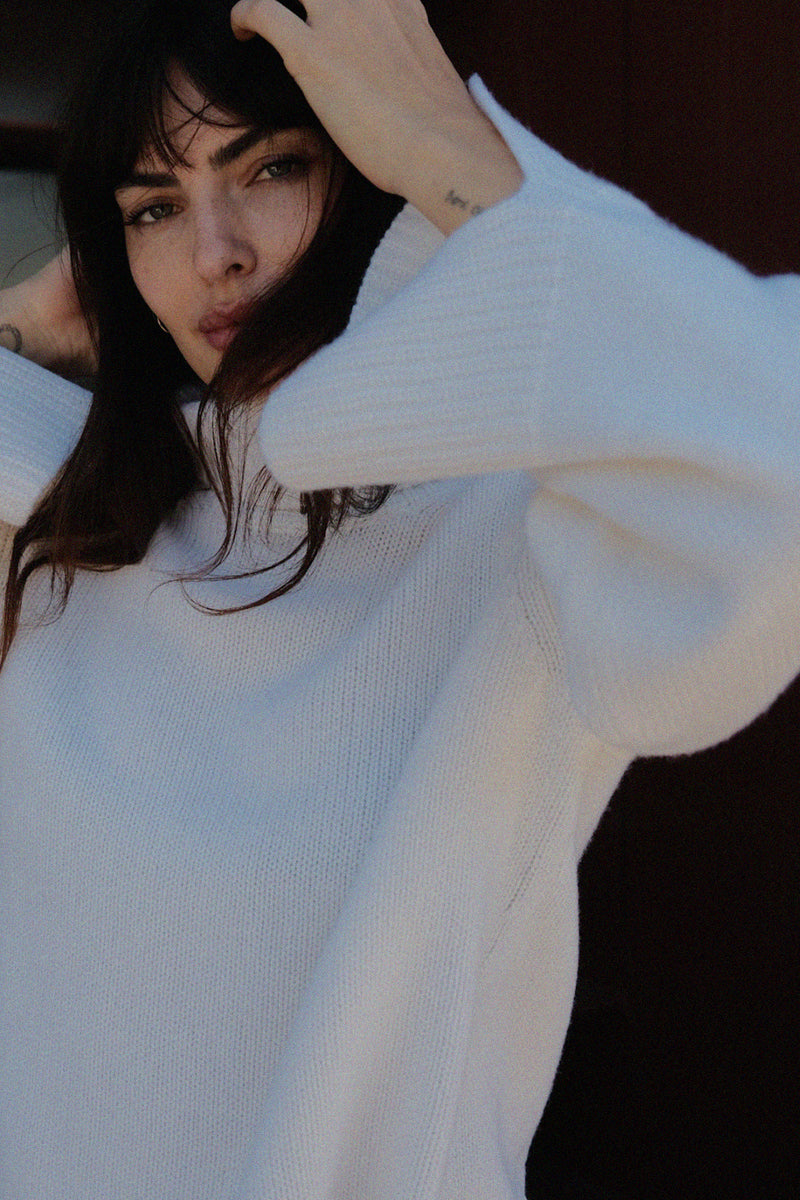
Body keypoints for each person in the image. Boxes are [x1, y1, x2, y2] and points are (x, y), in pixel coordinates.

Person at [0, 1, 799, 1197]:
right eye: (152, 208)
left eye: (269, 168)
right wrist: (22, 328)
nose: (213, 252)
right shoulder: (73, 530)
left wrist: (456, 153)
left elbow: (778, 451)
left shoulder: (520, 522)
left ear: (367, 172)